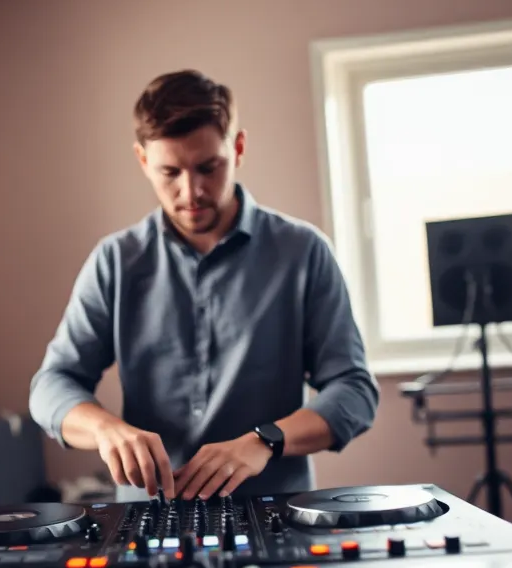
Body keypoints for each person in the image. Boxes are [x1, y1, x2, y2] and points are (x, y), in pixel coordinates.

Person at [28, 70, 378, 500]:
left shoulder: (303, 251)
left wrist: (264, 440)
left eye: (208, 167)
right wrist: (106, 430)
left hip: (275, 512)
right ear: (142, 160)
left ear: (239, 148)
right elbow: (52, 384)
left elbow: (354, 390)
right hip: (149, 518)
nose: (190, 191)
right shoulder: (115, 261)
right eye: (169, 172)